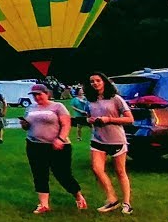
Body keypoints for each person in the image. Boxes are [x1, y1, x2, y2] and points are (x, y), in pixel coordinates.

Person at [21, 84, 87, 214]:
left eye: (39, 94)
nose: (37, 97)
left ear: (47, 94)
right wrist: (25, 124)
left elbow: (66, 124)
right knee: (39, 173)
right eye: (34, 95)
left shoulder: (57, 107)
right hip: (35, 144)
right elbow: (27, 127)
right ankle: (43, 204)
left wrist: (60, 139)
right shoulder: (30, 108)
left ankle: (78, 196)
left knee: (62, 174)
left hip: (57, 145)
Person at [84, 72, 135, 214]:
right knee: (97, 169)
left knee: (120, 172)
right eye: (92, 81)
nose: (95, 83)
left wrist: (109, 119)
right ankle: (112, 198)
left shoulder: (116, 99)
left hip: (116, 140)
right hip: (98, 139)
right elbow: (88, 117)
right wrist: (90, 120)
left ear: (104, 82)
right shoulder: (90, 100)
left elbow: (130, 119)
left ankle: (127, 203)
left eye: (98, 80)